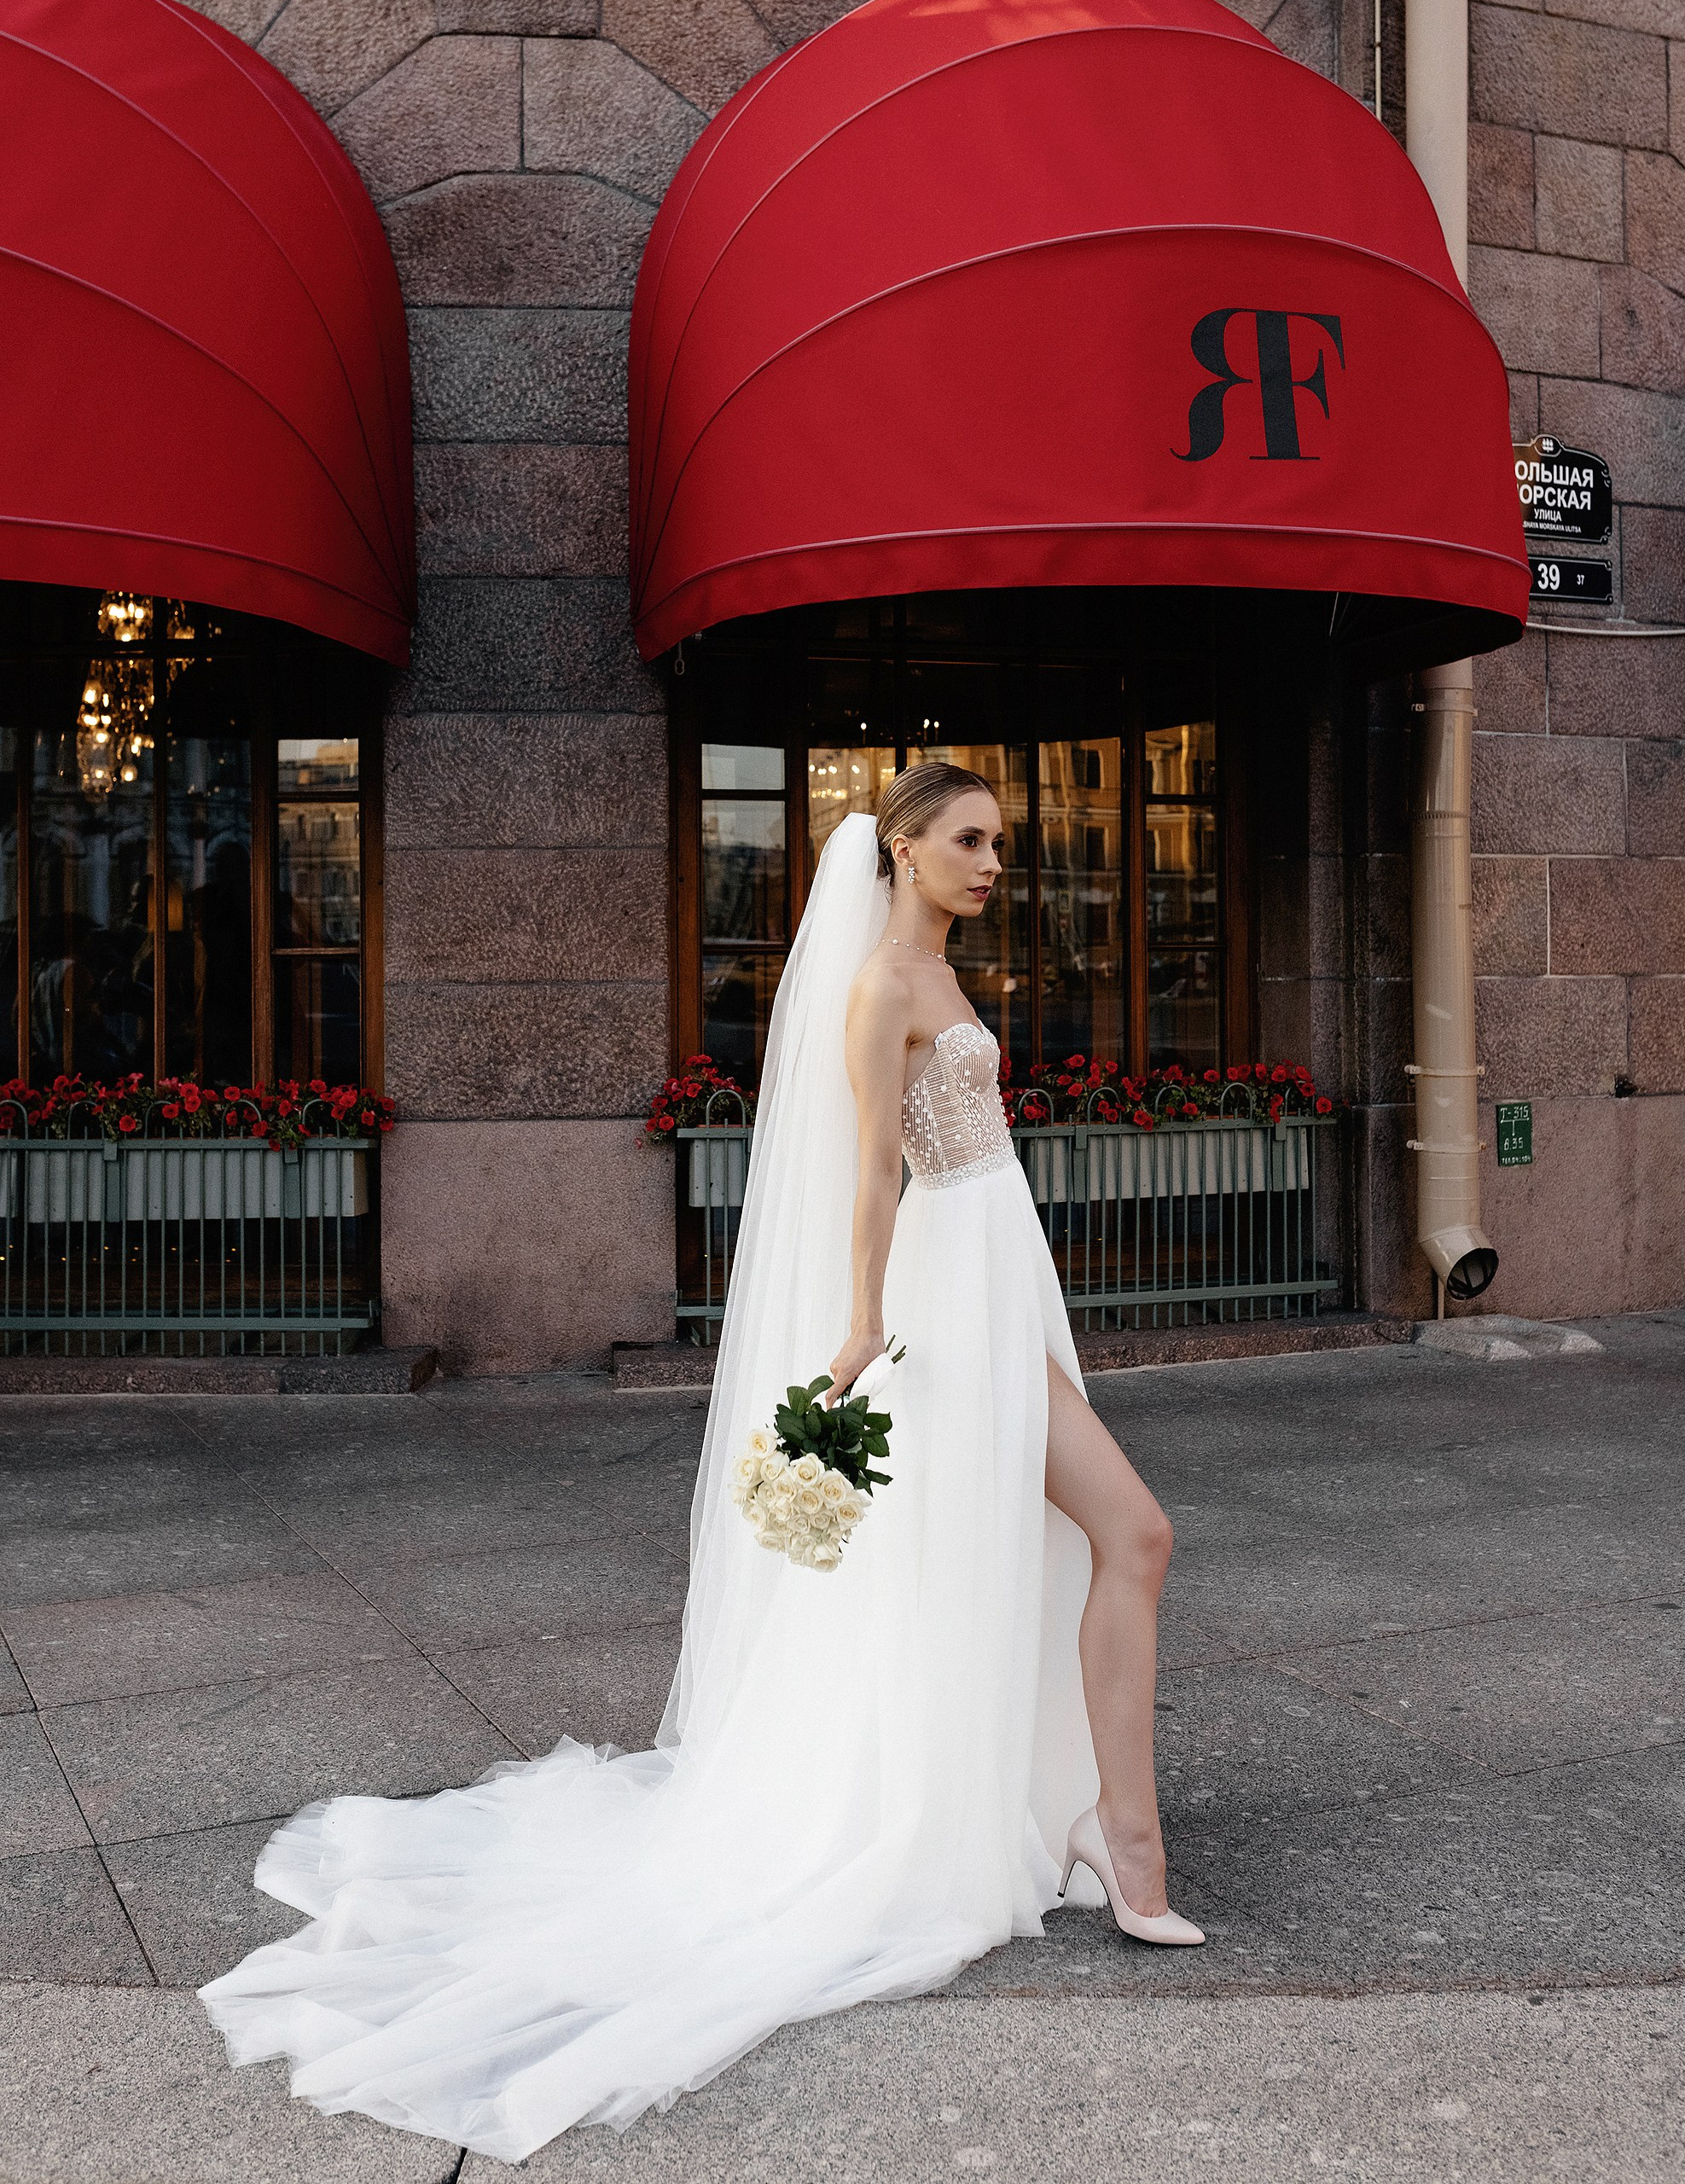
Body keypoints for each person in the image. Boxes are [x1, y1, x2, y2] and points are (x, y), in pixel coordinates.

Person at [199, 762, 1198, 2164]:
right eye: (969, 842)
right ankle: (1121, 1839)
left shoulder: (943, 976)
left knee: (1086, 1544)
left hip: (996, 1275)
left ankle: (1100, 1824)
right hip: (946, 1303)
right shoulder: (882, 990)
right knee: (1132, 1533)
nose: (992, 865)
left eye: (997, 845)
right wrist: (862, 1326)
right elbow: (867, 1170)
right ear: (902, 850)